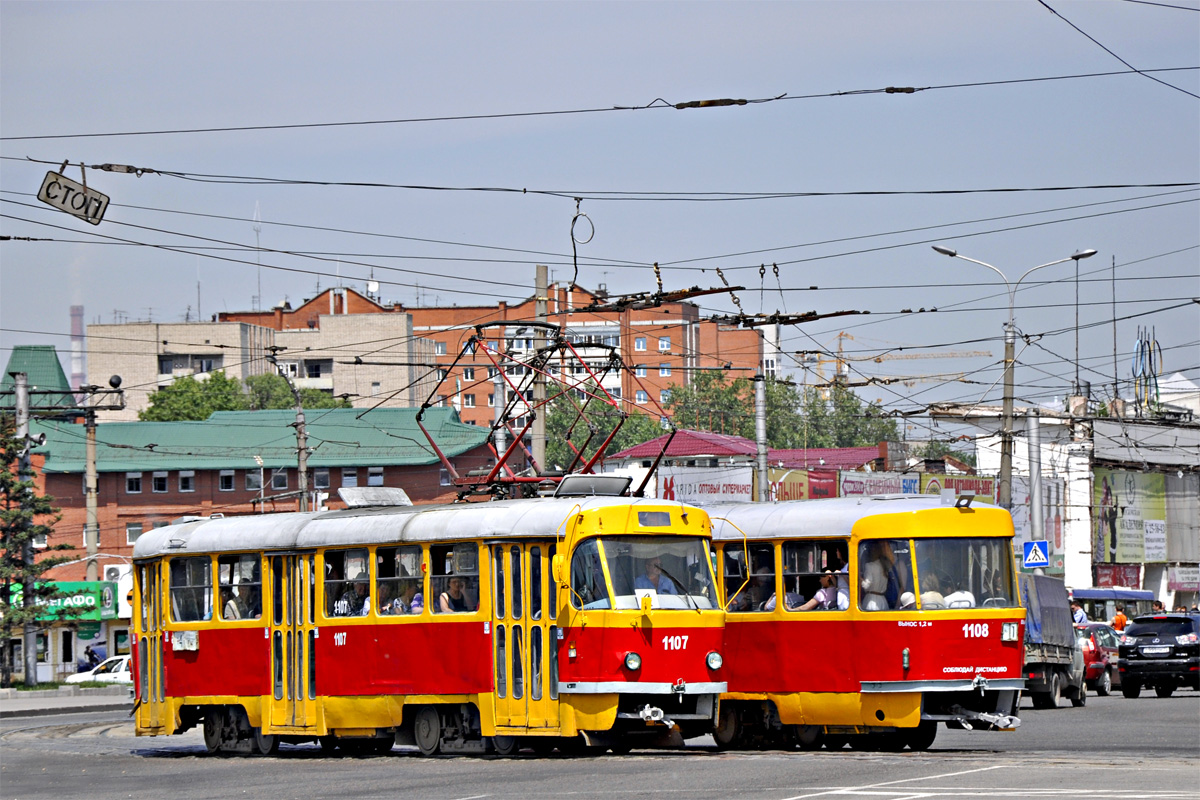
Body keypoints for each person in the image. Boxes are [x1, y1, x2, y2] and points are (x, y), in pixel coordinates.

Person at [860, 541, 892, 610]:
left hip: (871, 601)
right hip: (883, 600)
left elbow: (866, 586)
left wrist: (859, 578)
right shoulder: (884, 566)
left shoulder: (869, 565)